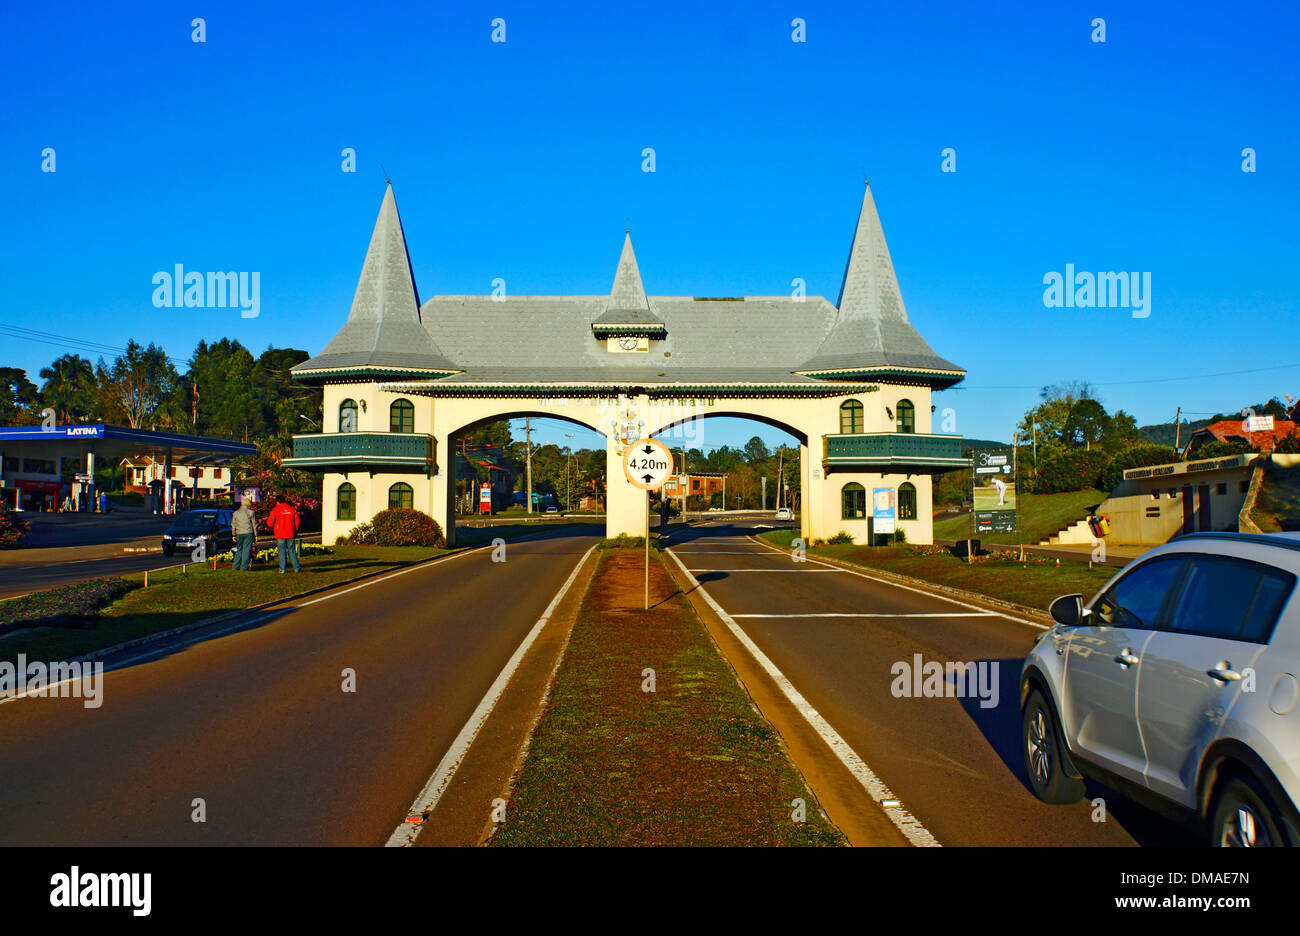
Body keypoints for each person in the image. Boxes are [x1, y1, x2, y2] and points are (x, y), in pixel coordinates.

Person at [268, 494, 301, 573]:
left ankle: (282, 569)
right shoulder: (292, 509)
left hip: (280, 533)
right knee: (292, 551)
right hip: (290, 532)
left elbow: (269, 523)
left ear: (277, 502)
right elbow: (297, 521)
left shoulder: (275, 510)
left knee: (282, 551)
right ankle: (296, 568)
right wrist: (295, 529)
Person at [231, 496, 256, 571]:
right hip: (248, 532)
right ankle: (244, 567)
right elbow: (254, 525)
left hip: (239, 533)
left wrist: (234, 534)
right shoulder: (251, 512)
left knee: (239, 549)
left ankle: (235, 566)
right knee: (247, 550)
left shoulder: (235, 513)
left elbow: (233, 524)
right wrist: (256, 535)